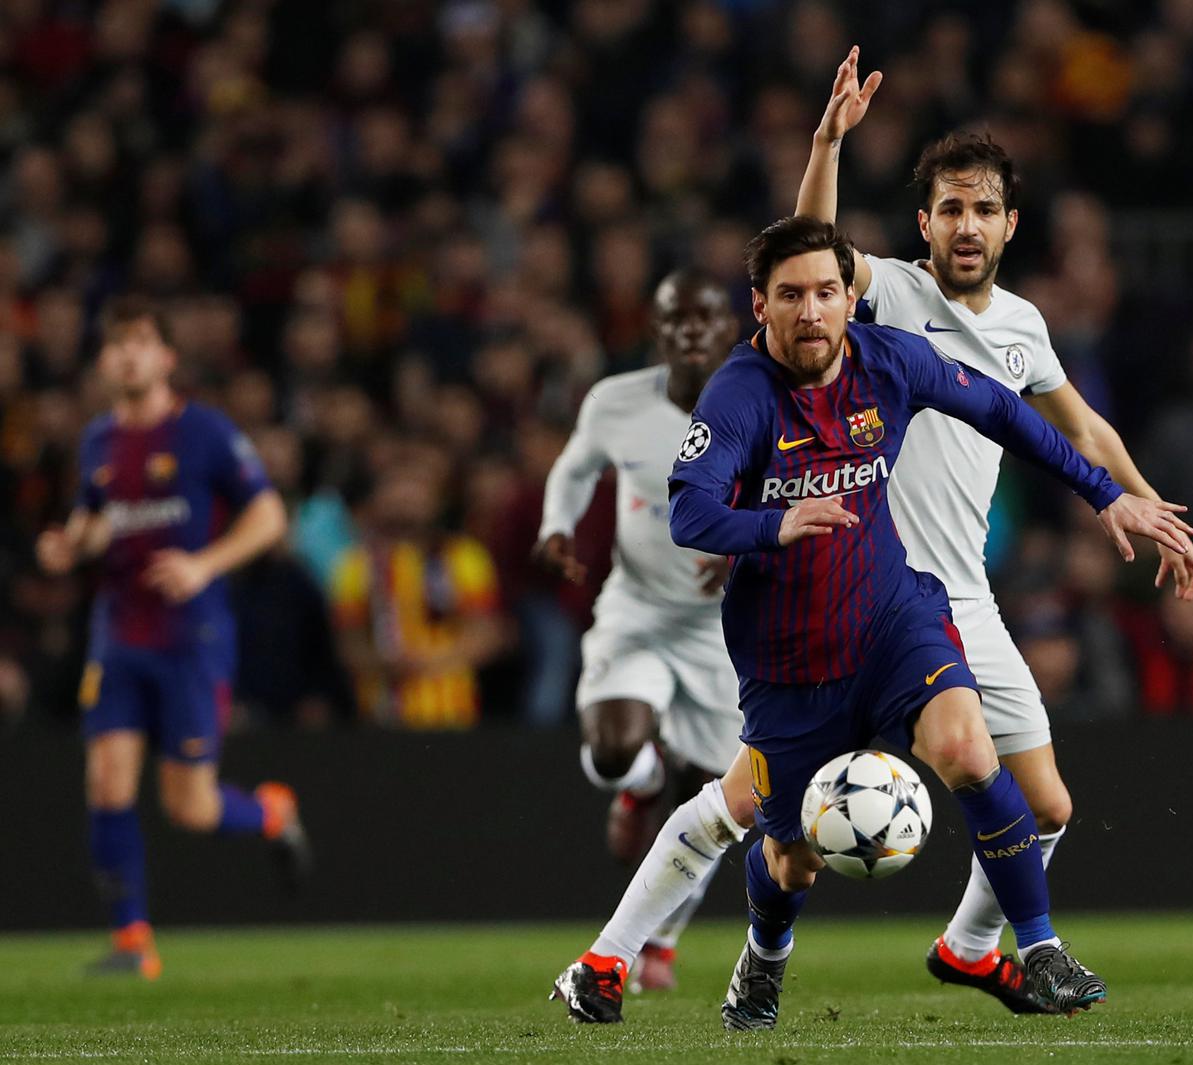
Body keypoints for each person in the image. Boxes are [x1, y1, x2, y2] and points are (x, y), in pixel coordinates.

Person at [553, 216, 1193, 1029]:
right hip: (790, 659)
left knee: (968, 751)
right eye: (791, 295)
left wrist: (1105, 494)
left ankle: (1039, 949)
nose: (812, 311)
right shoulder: (740, 394)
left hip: (893, 620)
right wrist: (775, 524)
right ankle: (762, 959)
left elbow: (1003, 412)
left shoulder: (890, 360)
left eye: (826, 292)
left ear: (848, 298)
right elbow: (690, 513)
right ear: (760, 306)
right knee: (790, 859)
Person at [793, 48, 1193, 1009]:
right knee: (772, 814)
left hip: (966, 598)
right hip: (867, 593)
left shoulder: (1023, 326)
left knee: (1050, 805)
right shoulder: (889, 293)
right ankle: (678, 951)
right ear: (924, 224)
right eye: (949, 208)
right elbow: (811, 251)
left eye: (983, 208)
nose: (966, 224)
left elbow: (1085, 430)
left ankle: (967, 946)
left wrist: (1148, 506)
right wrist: (827, 145)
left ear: (1009, 223)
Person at [34, 297, 310, 980]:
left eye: (140, 342)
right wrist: (70, 546)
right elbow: (96, 520)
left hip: (191, 636)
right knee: (107, 781)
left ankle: (271, 814)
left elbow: (269, 516)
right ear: (104, 361)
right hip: (119, 634)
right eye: (116, 344)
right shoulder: (98, 440)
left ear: (165, 357)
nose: (128, 355)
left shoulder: (204, 432)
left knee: (189, 806)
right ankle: (133, 942)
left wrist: (204, 564)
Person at [533, 269, 741, 989]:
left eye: (704, 316)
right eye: (675, 317)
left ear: (730, 327)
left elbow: (803, 493)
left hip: (725, 627)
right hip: (640, 607)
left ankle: (661, 942)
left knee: (717, 803)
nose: (690, 330)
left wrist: (747, 548)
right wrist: (557, 526)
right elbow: (573, 470)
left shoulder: (765, 402)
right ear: (657, 331)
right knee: (614, 748)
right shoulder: (615, 401)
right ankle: (639, 784)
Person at [330, 456, 507, 729]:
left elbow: (487, 634)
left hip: (452, 715)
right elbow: (346, 642)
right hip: (379, 718)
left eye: (417, 486)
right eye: (395, 485)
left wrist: (427, 661)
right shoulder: (355, 565)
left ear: (437, 500)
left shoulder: (464, 557)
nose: (406, 495)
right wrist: (382, 664)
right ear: (377, 498)